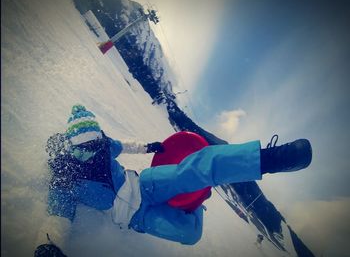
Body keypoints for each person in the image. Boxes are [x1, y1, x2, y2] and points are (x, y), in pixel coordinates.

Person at [34, 104, 312, 256]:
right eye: (88, 147)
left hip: (145, 184)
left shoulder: (104, 144)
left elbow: (125, 145)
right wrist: (48, 246)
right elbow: (57, 216)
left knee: (194, 168)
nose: (96, 150)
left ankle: (272, 158)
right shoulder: (65, 179)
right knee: (190, 234)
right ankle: (197, 198)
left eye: (97, 142)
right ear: (73, 148)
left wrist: (148, 147)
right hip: (136, 218)